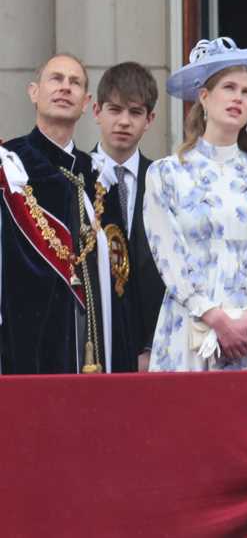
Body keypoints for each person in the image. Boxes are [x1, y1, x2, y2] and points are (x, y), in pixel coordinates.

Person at [143, 38, 247, 371]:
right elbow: (168, 253)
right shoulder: (166, 174)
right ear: (205, 96)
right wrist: (214, 316)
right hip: (189, 329)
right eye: (229, 87)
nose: (238, 98)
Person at [0, 54, 126, 373]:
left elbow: (119, 273)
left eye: (75, 83)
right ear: (33, 92)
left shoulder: (98, 175)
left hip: (95, 344)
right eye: (55, 79)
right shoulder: (9, 165)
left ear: (85, 103)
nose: (64, 88)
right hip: (24, 341)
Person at [91, 62, 166, 372]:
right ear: (96, 111)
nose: (123, 121)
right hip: (93, 349)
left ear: (149, 120)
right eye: (114, 110)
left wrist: (153, 346)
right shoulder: (74, 177)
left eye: (135, 112)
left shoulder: (164, 180)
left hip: (155, 350)